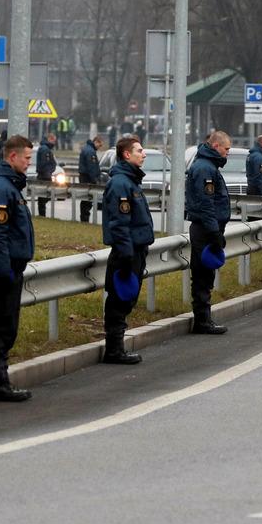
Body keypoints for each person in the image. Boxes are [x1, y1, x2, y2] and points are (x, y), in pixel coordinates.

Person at [0, 135, 36, 403]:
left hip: (10, 267)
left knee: (7, 325)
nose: (28, 163)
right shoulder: (2, 189)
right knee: (0, 326)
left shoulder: (11, 187)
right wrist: (3, 272)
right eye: (26, 158)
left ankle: (0, 380)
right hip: (4, 270)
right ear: (12, 157)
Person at [100, 136, 155, 363]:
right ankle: (114, 350)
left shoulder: (131, 181)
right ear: (126, 154)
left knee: (126, 300)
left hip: (135, 251)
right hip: (127, 253)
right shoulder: (121, 183)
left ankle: (116, 348)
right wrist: (125, 255)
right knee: (119, 301)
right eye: (139, 150)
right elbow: (120, 223)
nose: (144, 154)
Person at [185, 130, 232, 334]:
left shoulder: (209, 166)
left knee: (206, 275)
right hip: (205, 230)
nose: (227, 153)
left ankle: (204, 318)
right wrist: (214, 233)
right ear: (216, 146)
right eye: (226, 149)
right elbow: (206, 205)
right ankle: (202, 321)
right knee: (202, 276)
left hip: (209, 228)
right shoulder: (205, 168)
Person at [78, 135, 104, 222]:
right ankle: (85, 219)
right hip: (88, 179)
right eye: (100, 145)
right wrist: (95, 181)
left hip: (84, 177)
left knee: (85, 199)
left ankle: (84, 218)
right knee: (87, 200)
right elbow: (92, 168)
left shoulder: (87, 148)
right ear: (96, 142)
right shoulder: (90, 152)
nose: (99, 148)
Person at [35, 132, 57, 217]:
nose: (54, 143)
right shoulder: (45, 149)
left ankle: (42, 214)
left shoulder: (45, 148)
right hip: (44, 177)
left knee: (43, 198)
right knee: (43, 197)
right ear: (50, 139)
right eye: (54, 141)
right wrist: (49, 173)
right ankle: (42, 214)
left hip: (44, 175)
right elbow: (45, 164)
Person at [246, 134, 262, 198]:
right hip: (257, 191)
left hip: (251, 187)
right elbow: (260, 176)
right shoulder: (259, 158)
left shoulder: (252, 155)